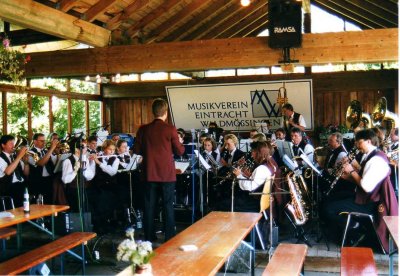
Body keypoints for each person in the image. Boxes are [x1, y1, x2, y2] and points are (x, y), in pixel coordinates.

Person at [322, 129, 398, 251]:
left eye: (359, 142)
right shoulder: (371, 155)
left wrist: (351, 171)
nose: (357, 145)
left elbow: (366, 187)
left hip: (370, 203)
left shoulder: (376, 160)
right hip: (364, 196)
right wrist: (347, 176)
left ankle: (354, 228)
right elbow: (364, 179)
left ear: (369, 141)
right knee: (331, 198)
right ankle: (347, 228)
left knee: (329, 208)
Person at [134, 98, 185, 242]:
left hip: (149, 173)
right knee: (168, 205)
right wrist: (180, 143)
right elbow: (179, 151)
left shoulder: (143, 129)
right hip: (166, 175)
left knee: (149, 206)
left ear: (153, 112)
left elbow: (136, 149)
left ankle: (149, 237)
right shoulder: (170, 129)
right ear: (165, 113)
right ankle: (169, 237)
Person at [61, 139, 95, 212]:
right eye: (84, 147)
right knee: (76, 211)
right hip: (73, 191)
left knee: (87, 210)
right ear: (76, 149)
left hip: (84, 189)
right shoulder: (68, 161)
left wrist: (84, 169)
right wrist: (75, 171)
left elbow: (90, 177)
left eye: (86, 147)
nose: (86, 149)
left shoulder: (85, 159)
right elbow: (65, 180)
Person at [320, 132, 356, 201]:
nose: (328, 142)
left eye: (331, 141)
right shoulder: (331, 150)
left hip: (335, 181)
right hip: (328, 176)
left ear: (338, 142)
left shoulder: (342, 154)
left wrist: (327, 170)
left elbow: (336, 172)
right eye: (329, 140)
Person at [29, 133, 58, 203]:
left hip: (48, 179)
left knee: (49, 200)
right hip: (38, 181)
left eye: (44, 141)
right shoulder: (31, 152)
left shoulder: (45, 151)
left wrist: (57, 153)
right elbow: (41, 163)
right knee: (40, 202)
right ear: (35, 141)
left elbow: (55, 163)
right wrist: (52, 148)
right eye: (41, 141)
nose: (44, 143)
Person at [0, 135, 30, 207]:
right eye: (11, 144)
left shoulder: (15, 157)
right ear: (3, 145)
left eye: (14, 143)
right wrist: (19, 156)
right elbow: (8, 172)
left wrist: (26, 163)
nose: (13, 146)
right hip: (9, 190)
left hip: (21, 186)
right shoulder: (1, 158)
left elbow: (26, 173)